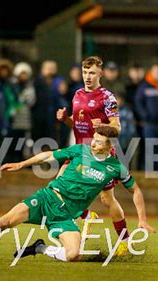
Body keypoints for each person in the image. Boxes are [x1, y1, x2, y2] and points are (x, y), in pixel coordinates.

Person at [0, 127, 156, 261]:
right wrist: (22, 164)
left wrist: (142, 219)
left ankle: (40, 248)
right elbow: (48, 155)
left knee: (73, 255)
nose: (93, 143)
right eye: (93, 138)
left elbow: (135, 190)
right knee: (5, 221)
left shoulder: (116, 167)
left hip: (64, 216)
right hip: (47, 198)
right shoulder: (80, 150)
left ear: (110, 146)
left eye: (98, 142)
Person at [56, 56, 131, 256]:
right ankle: (88, 216)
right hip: (80, 150)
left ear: (100, 74)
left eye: (91, 73)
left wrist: (104, 126)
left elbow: (117, 127)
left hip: (100, 152)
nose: (87, 77)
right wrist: (65, 119)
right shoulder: (77, 94)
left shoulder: (108, 97)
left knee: (107, 199)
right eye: (85, 72)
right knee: (58, 187)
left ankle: (125, 240)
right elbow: (76, 124)